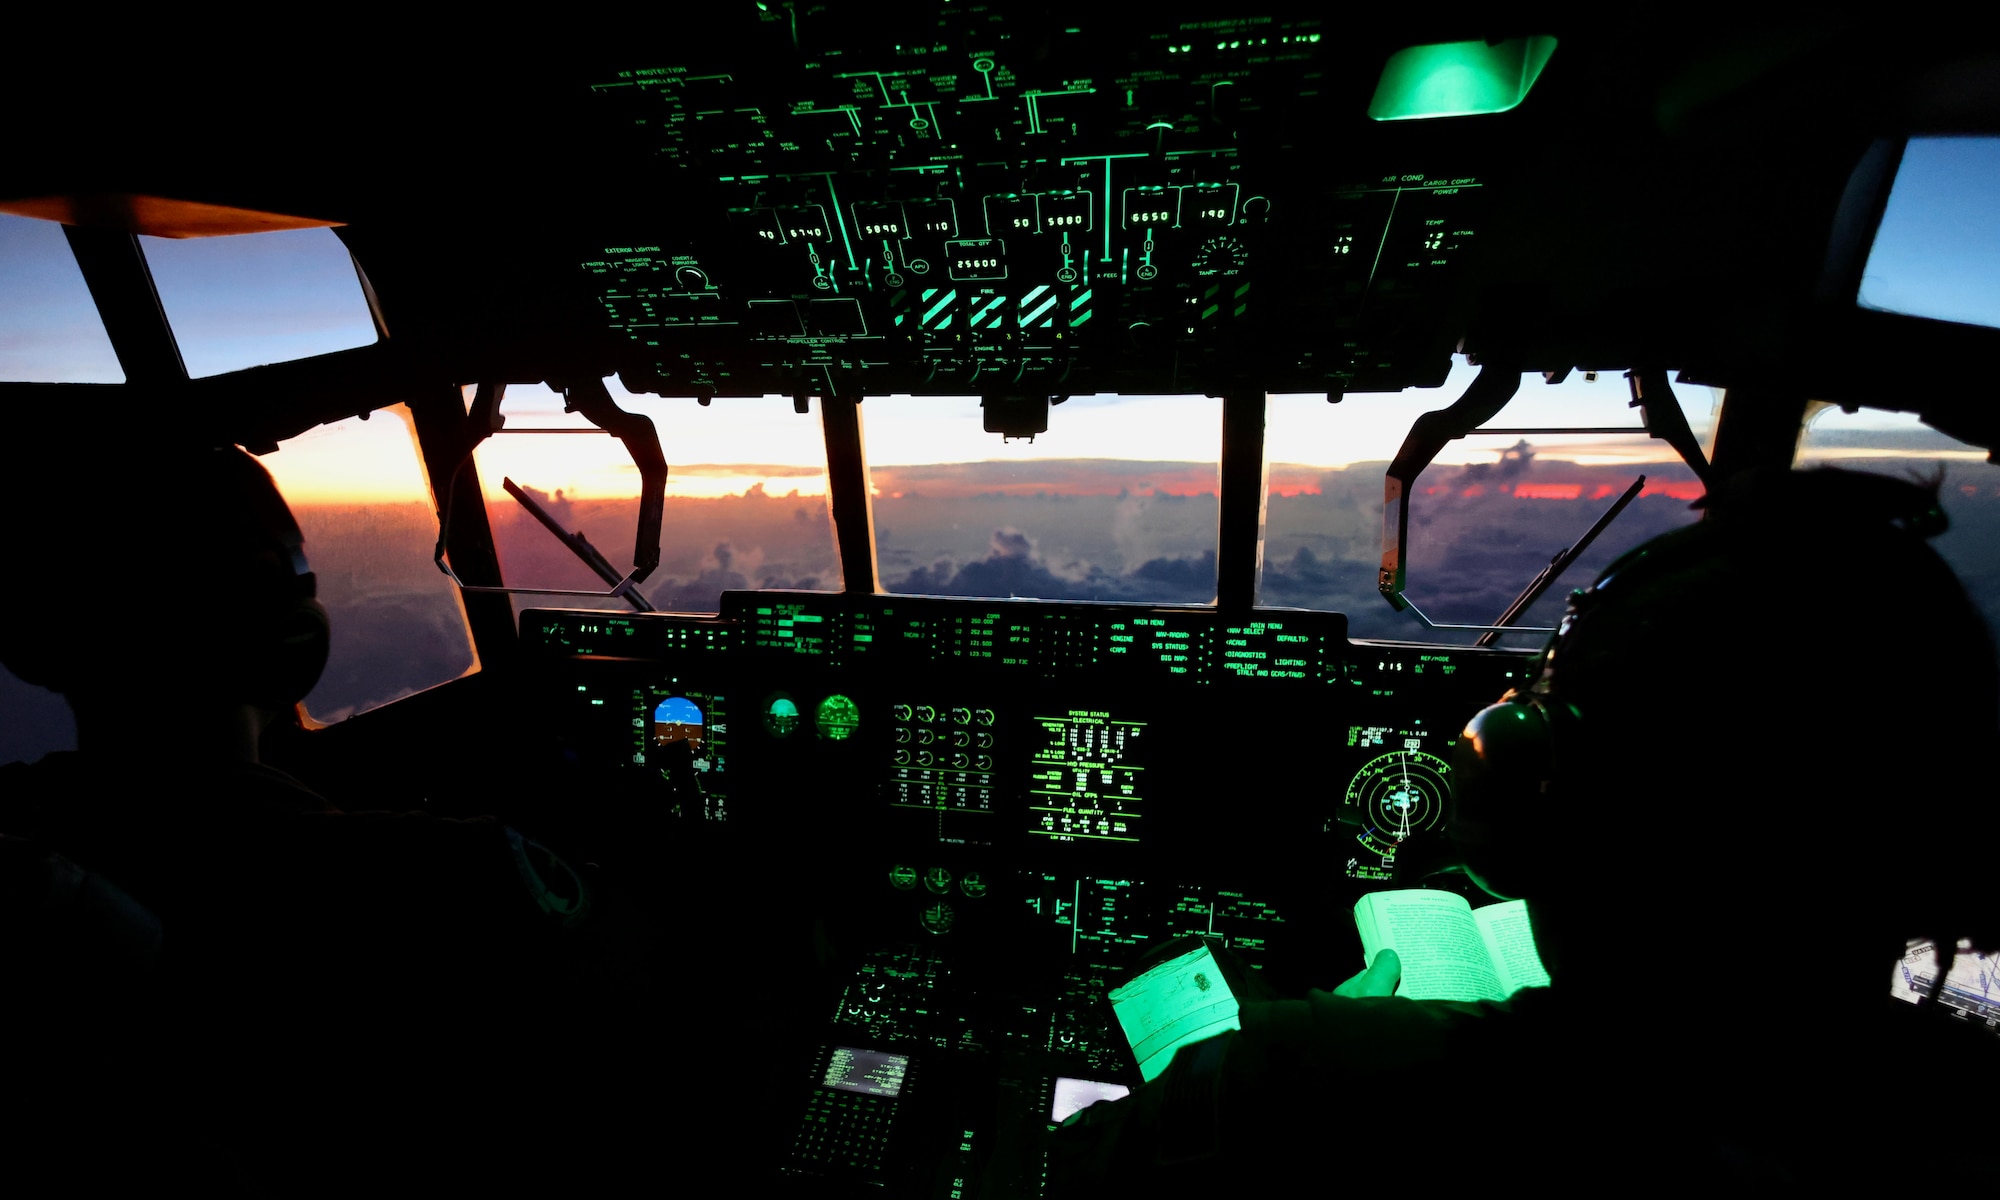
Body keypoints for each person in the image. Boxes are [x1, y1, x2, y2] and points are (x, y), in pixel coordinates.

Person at [1053, 466, 1999, 1190]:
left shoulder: (1284, 1084)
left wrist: (1312, 1039)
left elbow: (1059, 1168)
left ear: (1523, 807)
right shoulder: (1966, 1120)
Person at [0, 441, 618, 1190]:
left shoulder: (25, 851)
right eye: (293, 575)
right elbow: (639, 978)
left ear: (33, 644)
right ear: (279, 622)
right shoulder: (446, 873)